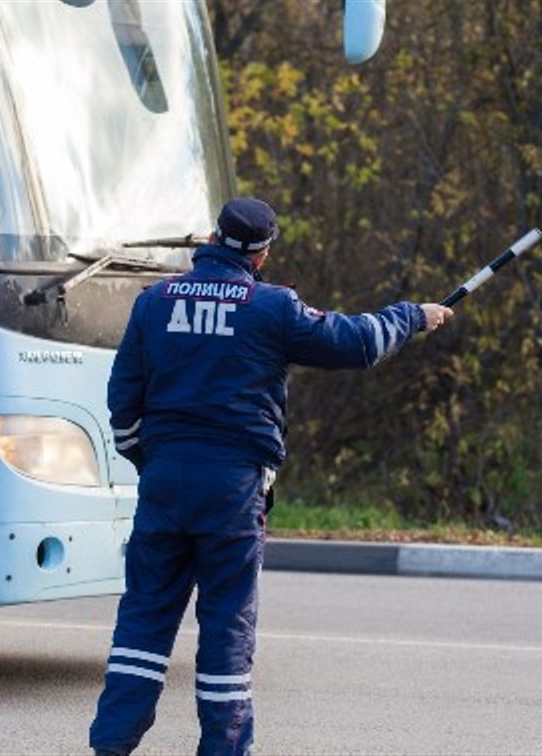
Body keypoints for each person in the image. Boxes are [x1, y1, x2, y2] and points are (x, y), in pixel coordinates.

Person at [88, 197, 452, 756]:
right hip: (232, 490)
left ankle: (110, 745)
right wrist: (413, 315)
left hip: (165, 483)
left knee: (142, 623)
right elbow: (355, 342)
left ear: (211, 237)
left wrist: (151, 461)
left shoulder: (153, 303)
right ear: (263, 254)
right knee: (227, 628)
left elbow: (122, 402)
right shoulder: (273, 308)